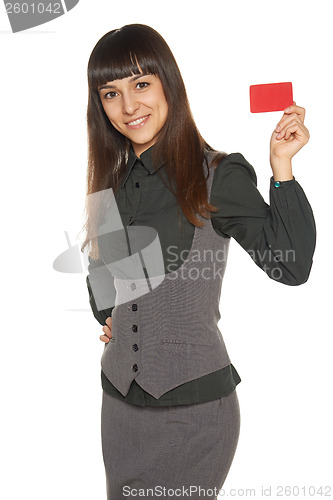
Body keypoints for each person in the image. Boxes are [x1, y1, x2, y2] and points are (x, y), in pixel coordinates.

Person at [81, 24, 316, 500]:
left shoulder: (217, 175)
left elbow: (289, 266)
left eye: (142, 84)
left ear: (169, 83)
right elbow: (102, 282)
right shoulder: (110, 185)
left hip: (194, 413)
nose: (129, 107)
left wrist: (282, 168)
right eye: (111, 93)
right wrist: (113, 320)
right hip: (119, 406)